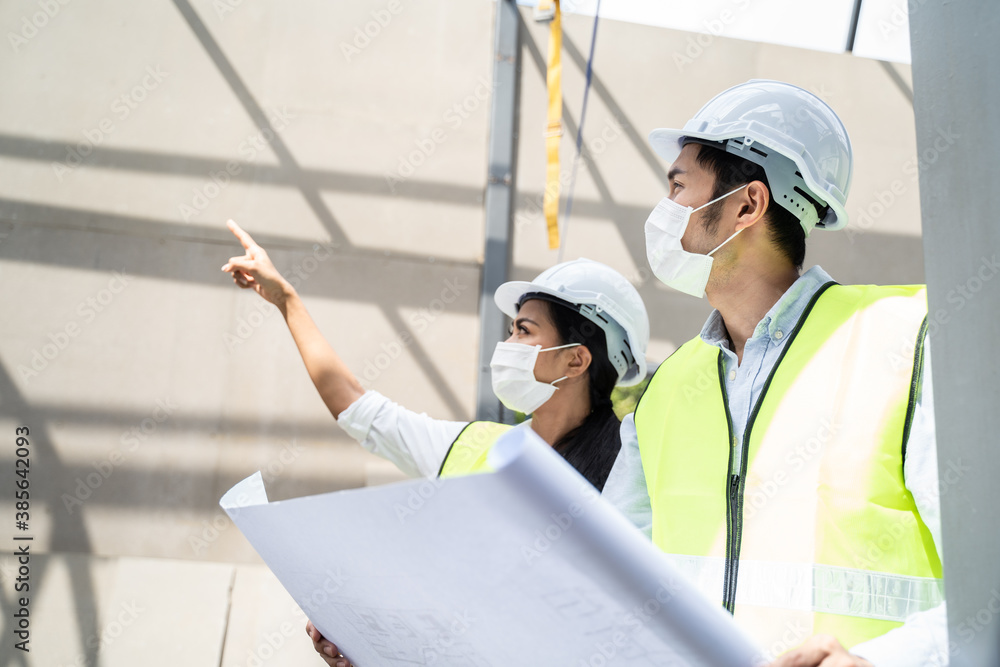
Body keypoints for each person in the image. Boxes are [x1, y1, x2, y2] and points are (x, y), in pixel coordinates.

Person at [603, 80, 946, 667]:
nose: (663, 212)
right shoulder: (666, 388)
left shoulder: (904, 341)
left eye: (679, 186)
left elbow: (985, 581)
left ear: (746, 206)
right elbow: (607, 580)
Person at [220, 220, 650, 666]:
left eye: (524, 331)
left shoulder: (628, 472)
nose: (508, 344)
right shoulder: (475, 446)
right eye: (511, 330)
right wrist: (286, 301)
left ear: (576, 359)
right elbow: (356, 408)